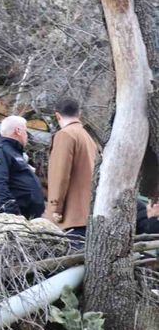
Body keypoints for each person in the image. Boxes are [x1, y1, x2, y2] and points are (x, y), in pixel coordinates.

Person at [44, 98, 97, 238]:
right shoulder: (88, 136)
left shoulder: (65, 135)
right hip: (90, 213)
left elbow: (60, 175)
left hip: (71, 217)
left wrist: (55, 208)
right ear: (79, 114)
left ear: (57, 115)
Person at [0, 115, 45, 219]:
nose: (27, 135)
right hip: (13, 218)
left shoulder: (15, 153)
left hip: (28, 217)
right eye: (25, 131)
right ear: (18, 131)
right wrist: (13, 213)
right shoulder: (0, 151)